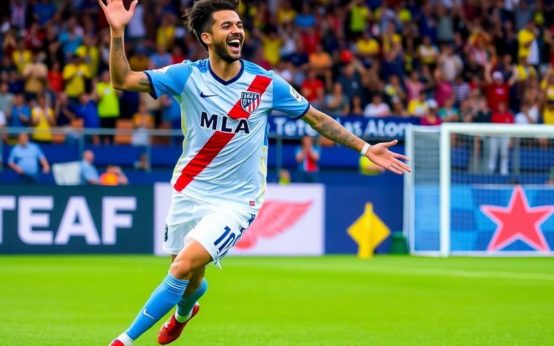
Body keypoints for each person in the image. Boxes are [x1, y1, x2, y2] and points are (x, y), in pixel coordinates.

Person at [99, 1, 410, 345]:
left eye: (239, 25)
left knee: (181, 268)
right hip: (188, 189)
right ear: (206, 37)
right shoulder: (186, 76)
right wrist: (117, 31)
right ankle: (185, 313)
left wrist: (366, 148)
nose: (237, 31)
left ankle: (124, 340)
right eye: (226, 26)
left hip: (236, 202)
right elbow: (122, 80)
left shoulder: (265, 83)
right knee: (189, 278)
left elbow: (317, 118)